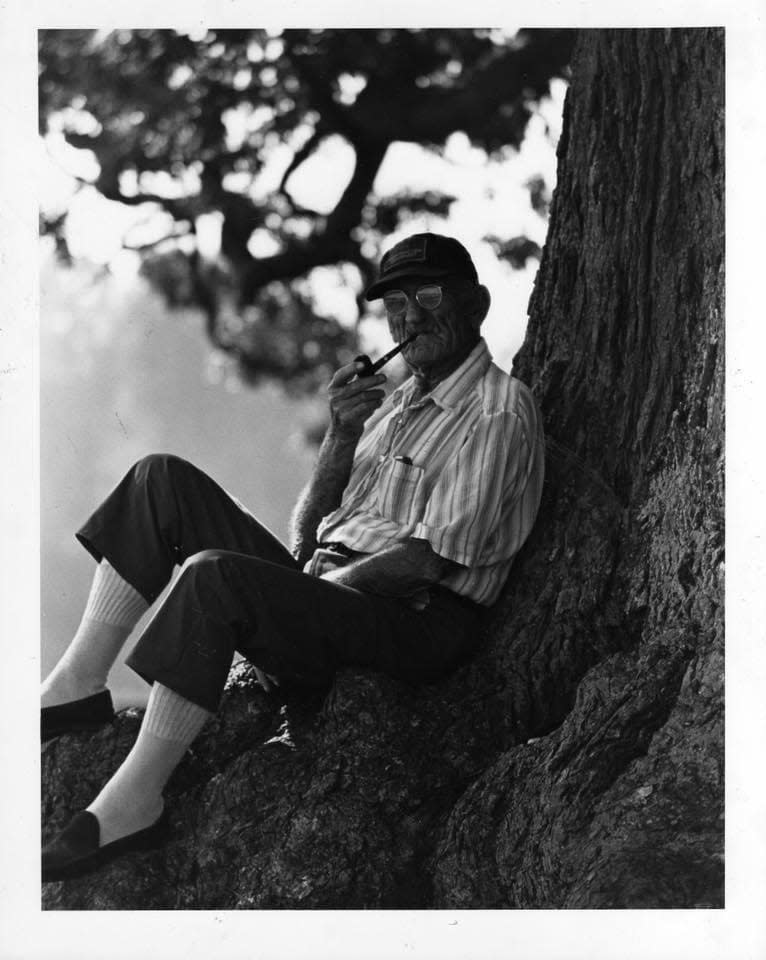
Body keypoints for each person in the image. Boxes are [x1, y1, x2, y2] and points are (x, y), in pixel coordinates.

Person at [41, 232, 545, 882]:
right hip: (337, 592)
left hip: (415, 621)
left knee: (215, 577)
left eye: (428, 295)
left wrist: (312, 588)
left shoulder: (498, 413)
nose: (410, 318)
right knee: (157, 478)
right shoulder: (392, 409)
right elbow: (308, 534)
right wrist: (340, 434)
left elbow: (425, 561)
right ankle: (77, 685)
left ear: (474, 304)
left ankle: (136, 799)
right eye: (396, 304)